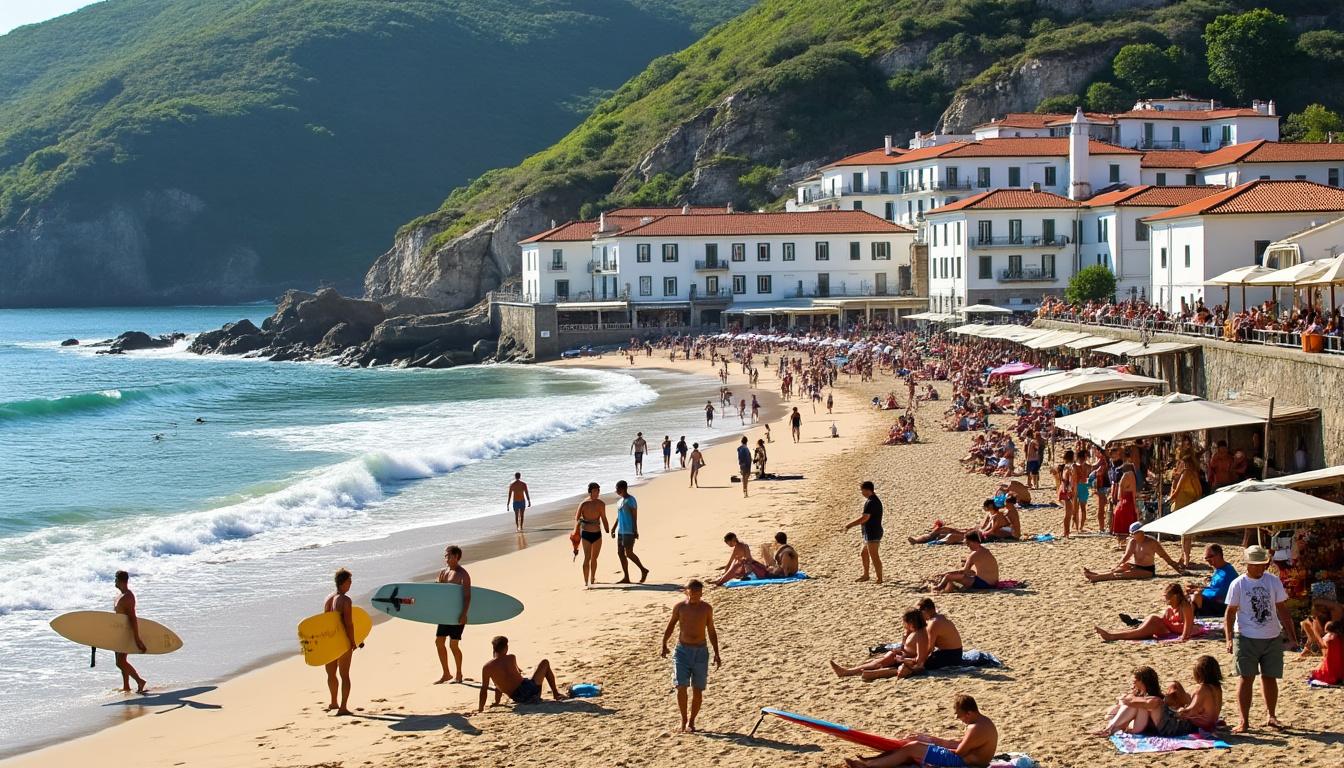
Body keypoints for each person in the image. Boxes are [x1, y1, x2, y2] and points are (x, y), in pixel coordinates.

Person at [1224, 545, 1298, 732]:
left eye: (1262, 564)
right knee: (1245, 678)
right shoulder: (1238, 584)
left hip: (1272, 636)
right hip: (1246, 636)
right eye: (1256, 564)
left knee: (1270, 677)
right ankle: (1244, 721)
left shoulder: (1273, 581)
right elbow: (1230, 613)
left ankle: (1271, 716)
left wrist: (1292, 636)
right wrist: (1229, 638)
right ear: (1248, 564)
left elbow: (1282, 610)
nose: (1260, 568)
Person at [844, 694, 997, 768]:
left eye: (959, 715)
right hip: (971, 760)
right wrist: (931, 741)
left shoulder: (975, 728)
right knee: (915, 744)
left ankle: (868, 765)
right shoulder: (984, 722)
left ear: (969, 713)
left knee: (913, 747)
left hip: (965, 763)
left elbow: (959, 753)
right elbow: (963, 744)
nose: (958, 718)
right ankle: (871, 761)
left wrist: (928, 747)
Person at [660, 580, 721, 733]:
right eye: (692, 593)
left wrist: (716, 653)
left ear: (701, 593)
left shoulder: (706, 608)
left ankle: (692, 721)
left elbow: (711, 630)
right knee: (681, 686)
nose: (695, 596)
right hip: (682, 651)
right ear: (686, 591)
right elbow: (671, 625)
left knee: (697, 689)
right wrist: (664, 644)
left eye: (698, 593)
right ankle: (683, 719)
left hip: (700, 651)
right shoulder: (680, 607)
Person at [830, 609, 930, 681]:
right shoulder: (914, 632)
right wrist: (904, 638)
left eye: (905, 622)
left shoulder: (921, 635)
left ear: (911, 622)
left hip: (909, 663)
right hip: (902, 657)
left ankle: (848, 672)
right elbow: (906, 647)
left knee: (880, 662)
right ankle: (850, 671)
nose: (903, 624)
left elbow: (920, 660)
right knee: (881, 660)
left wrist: (902, 659)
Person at [478, 635, 566, 711]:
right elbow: (518, 673)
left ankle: (495, 702)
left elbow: (486, 689)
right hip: (531, 692)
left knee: (499, 680)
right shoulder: (511, 658)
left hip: (518, 698)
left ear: (494, 649)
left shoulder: (487, 667)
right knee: (545, 663)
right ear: (506, 647)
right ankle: (555, 693)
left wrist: (482, 708)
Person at [1094, 583, 1200, 642]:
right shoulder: (1170, 608)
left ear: (1175, 596)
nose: (1167, 601)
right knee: (1140, 629)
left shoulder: (1185, 606)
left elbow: (1187, 631)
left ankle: (1112, 636)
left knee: (1140, 630)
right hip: (1165, 628)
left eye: (1168, 598)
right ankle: (1112, 634)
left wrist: (1177, 640)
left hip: (1168, 630)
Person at [1094, 666, 1180, 737]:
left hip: (1150, 728)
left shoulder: (1156, 699)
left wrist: (1126, 699)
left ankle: (1109, 729)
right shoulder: (1138, 694)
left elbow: (1131, 703)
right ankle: (1110, 728)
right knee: (1118, 712)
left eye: (1135, 681)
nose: (1133, 683)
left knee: (1134, 705)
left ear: (1142, 681)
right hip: (1140, 726)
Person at [1083, 524, 1184, 583]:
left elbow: (1165, 557)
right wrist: (1118, 565)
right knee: (1116, 569)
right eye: (1132, 533)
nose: (1132, 535)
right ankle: (1095, 573)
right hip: (1134, 564)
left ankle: (1096, 578)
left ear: (1141, 532)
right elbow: (1126, 556)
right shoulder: (1132, 541)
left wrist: (1178, 570)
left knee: (1120, 575)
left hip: (1147, 569)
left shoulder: (1152, 542)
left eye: (1134, 533)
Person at [434, 545, 471, 684]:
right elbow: (440, 592)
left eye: (448, 555)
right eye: (445, 555)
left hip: (457, 614)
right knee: (439, 642)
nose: (446, 558)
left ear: (456, 557)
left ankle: (459, 674)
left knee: (453, 645)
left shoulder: (463, 574)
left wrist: (464, 614)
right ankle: (446, 674)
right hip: (445, 614)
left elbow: (467, 596)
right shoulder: (443, 572)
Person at [1162, 655, 1225, 734]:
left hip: (1199, 726)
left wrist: (1179, 711)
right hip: (1211, 723)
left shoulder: (1202, 689)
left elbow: (1190, 712)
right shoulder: (1217, 687)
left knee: (1173, 688)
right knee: (1176, 685)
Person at [324, 568, 358, 715]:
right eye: (349, 581)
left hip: (329, 641)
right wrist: (353, 641)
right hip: (342, 641)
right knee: (344, 675)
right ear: (343, 582)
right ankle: (343, 708)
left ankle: (333, 702)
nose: (351, 583)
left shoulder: (328, 599)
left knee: (331, 674)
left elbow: (325, 621)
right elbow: (348, 624)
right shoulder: (345, 600)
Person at [112, 570, 148, 694]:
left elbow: (132, 618)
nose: (114, 581)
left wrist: (137, 638)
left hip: (126, 633)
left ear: (121, 581)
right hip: (118, 633)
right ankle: (126, 686)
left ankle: (139, 681)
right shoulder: (119, 596)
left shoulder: (128, 597)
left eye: (115, 579)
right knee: (120, 661)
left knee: (120, 662)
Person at [929, 533, 999, 592]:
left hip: (983, 583)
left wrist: (945, 573)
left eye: (968, 543)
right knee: (952, 581)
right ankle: (948, 589)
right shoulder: (985, 551)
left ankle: (937, 588)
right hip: (993, 582)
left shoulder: (974, 554)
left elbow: (964, 571)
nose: (967, 545)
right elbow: (977, 570)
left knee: (948, 577)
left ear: (975, 542)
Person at [843, 481, 884, 583]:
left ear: (867, 490)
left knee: (874, 556)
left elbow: (865, 518)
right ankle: (866, 575)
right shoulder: (871, 500)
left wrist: (850, 525)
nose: (862, 493)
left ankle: (879, 578)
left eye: (862, 490)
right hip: (869, 532)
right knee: (863, 553)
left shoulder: (871, 502)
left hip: (873, 532)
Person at [612, 480, 649, 584]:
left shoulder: (631, 500)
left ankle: (643, 570)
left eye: (617, 488)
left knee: (628, 553)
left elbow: (634, 516)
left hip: (629, 531)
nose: (616, 490)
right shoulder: (619, 501)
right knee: (620, 553)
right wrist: (614, 528)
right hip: (621, 531)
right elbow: (619, 516)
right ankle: (626, 577)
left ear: (623, 488)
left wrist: (635, 530)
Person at [573, 483, 610, 587]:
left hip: (597, 534)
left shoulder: (601, 504)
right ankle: (586, 581)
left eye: (598, 491)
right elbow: (577, 518)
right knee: (587, 557)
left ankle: (592, 578)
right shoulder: (583, 504)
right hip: (586, 534)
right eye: (595, 491)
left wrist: (607, 528)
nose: (597, 493)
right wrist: (577, 530)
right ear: (590, 492)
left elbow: (603, 517)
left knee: (594, 558)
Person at [1188, 544, 1237, 617]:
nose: (1208, 561)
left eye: (1210, 557)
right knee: (1187, 595)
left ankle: (1193, 618)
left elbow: (1219, 593)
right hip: (1213, 601)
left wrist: (1201, 592)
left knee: (1196, 596)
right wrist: (1197, 588)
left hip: (1221, 605)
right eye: (1206, 558)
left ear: (1219, 555)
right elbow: (1213, 587)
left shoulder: (1229, 573)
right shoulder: (1219, 570)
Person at [1309, 620, 1343, 685]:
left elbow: (1324, 646)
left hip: (1330, 657)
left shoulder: (1328, 636)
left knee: (1324, 669)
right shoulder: (1339, 636)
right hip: (1338, 657)